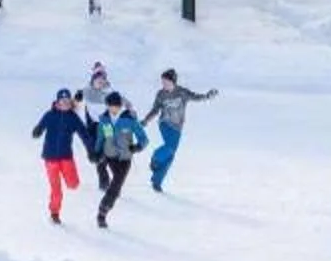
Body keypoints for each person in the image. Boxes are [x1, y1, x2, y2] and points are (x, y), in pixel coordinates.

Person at [144, 70, 217, 192]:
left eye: (166, 82)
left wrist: (207, 96)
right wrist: (146, 120)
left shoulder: (182, 92)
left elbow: (196, 97)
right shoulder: (161, 94)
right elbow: (155, 110)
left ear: (173, 81)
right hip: (165, 123)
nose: (164, 84)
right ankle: (155, 159)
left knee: (170, 155)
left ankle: (156, 181)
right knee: (169, 147)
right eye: (162, 82)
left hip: (177, 127)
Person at [32, 86, 95, 224]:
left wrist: (91, 151)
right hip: (50, 158)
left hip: (66, 157)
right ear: (58, 102)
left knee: (73, 184)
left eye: (67, 101)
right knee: (56, 188)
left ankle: (72, 182)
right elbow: (41, 126)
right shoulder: (50, 115)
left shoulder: (73, 118)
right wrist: (37, 130)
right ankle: (54, 213)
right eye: (62, 101)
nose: (65, 103)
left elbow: (84, 135)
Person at [90, 91, 147, 228]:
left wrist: (138, 147)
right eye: (111, 106)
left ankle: (102, 212)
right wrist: (96, 152)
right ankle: (107, 204)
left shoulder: (129, 120)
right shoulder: (104, 120)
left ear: (120, 106)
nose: (114, 109)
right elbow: (100, 138)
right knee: (116, 186)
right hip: (110, 156)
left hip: (125, 158)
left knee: (116, 184)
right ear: (107, 106)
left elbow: (143, 138)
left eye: (116, 106)